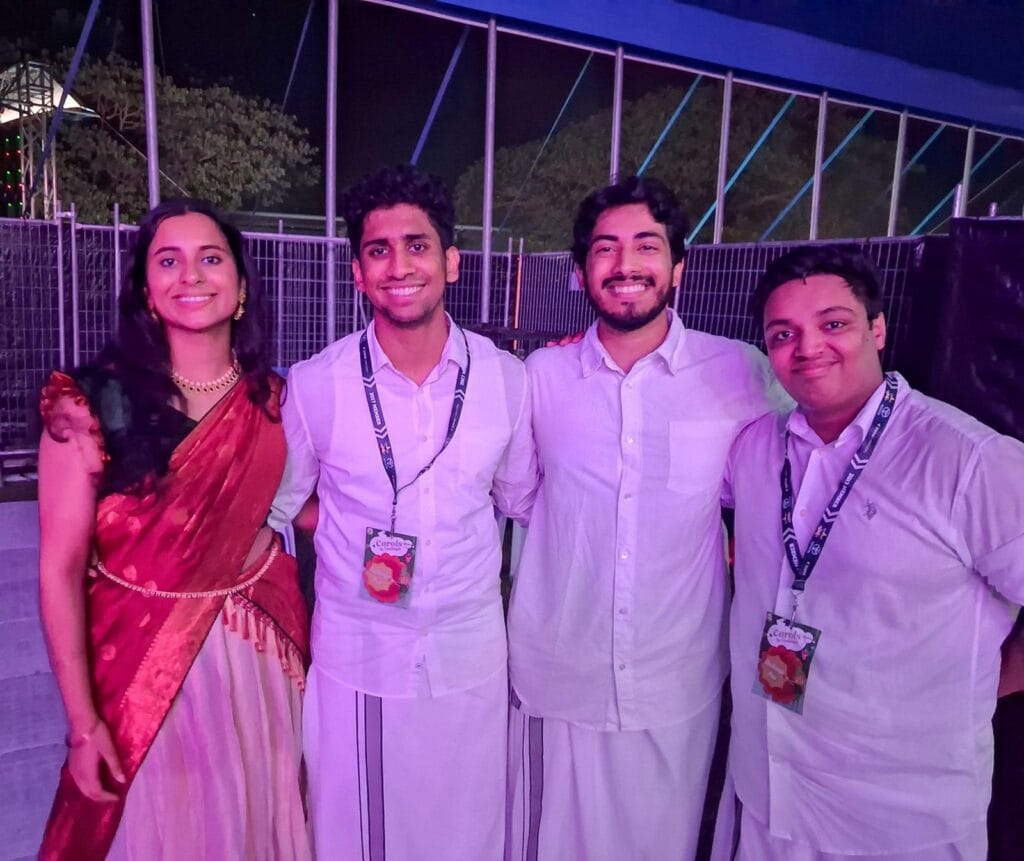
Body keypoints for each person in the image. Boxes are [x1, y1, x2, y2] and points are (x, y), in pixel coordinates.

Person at [504, 175, 786, 859]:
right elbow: (520, 495)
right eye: (605, 248)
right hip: (559, 669)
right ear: (580, 272)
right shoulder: (542, 376)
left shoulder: (739, 373)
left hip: (674, 678)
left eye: (647, 246)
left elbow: (775, 489)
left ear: (678, 266)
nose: (625, 264)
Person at [719, 245, 1024, 860]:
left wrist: (985, 680)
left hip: (897, 817)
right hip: (772, 793)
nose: (808, 347)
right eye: (784, 334)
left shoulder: (968, 461)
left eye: (833, 323)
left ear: (877, 328)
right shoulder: (754, 450)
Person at [272, 164, 534, 859]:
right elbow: (283, 503)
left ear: (452, 260)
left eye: (417, 245)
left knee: (467, 832)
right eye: (378, 250)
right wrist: (343, 527)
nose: (399, 266)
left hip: (468, 656)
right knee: (357, 836)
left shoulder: (506, 380)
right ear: (358, 273)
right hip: (360, 657)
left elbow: (518, 497)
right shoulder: (317, 384)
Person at [37, 199, 310, 860]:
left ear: (240, 288)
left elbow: (303, 509)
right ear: (145, 291)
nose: (191, 275)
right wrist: (83, 724)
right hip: (141, 669)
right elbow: (59, 569)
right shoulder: (90, 403)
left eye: (210, 258)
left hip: (261, 665)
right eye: (168, 260)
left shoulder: (282, 402)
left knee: (259, 820)